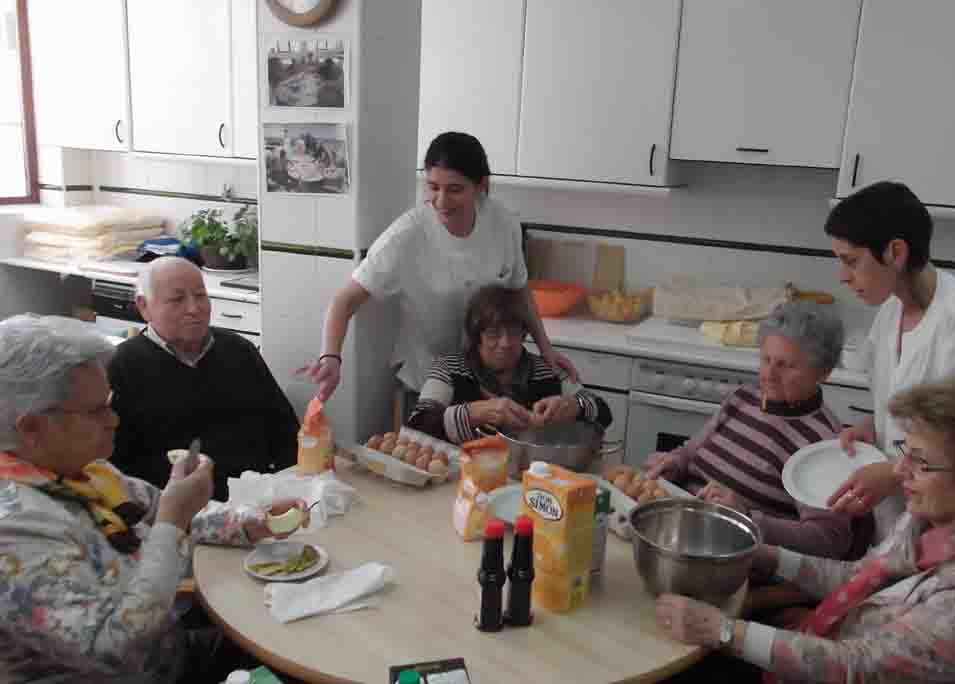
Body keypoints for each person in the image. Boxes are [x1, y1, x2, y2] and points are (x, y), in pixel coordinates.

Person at [654, 377, 955, 684]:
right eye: (904, 452)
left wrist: (721, 631)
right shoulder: (932, 519)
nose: (899, 472)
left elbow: (858, 667)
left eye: (921, 462)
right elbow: (857, 578)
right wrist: (761, 552)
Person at [0, 314, 307, 684]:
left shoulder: (85, 473)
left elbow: (157, 511)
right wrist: (172, 524)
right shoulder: (15, 528)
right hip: (126, 673)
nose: (114, 420)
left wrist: (249, 522)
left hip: (165, 651)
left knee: (302, 637)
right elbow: (114, 645)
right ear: (31, 428)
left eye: (109, 403)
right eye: (96, 410)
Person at [303, 131, 577, 403]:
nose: (441, 201)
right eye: (433, 187)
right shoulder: (406, 236)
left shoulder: (503, 224)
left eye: (455, 189)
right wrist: (330, 357)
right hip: (427, 382)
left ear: (480, 185)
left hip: (491, 382)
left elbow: (519, 291)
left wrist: (546, 349)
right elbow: (344, 301)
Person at [824, 181, 955, 540]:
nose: (842, 275)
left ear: (895, 253)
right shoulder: (891, 309)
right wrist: (878, 423)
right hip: (903, 526)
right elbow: (922, 406)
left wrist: (893, 472)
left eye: (851, 261)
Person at [647, 301, 863, 559]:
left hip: (730, 555)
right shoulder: (743, 398)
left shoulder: (823, 443)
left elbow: (831, 539)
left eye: (787, 365)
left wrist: (747, 518)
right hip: (681, 524)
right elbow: (691, 452)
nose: (769, 374)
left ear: (823, 373)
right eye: (766, 359)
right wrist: (674, 462)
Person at [108, 257, 299, 501]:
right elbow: (116, 467)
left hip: (256, 500)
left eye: (200, 295)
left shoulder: (239, 350)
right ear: (144, 306)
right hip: (172, 512)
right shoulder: (123, 365)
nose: (194, 308)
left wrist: (293, 490)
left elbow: (285, 432)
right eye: (177, 299)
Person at [408, 286, 611, 443]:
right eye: (493, 334)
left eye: (513, 332)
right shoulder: (449, 368)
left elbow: (604, 413)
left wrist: (576, 406)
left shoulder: (549, 372)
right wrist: (475, 413)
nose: (505, 343)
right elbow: (418, 425)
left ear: (524, 334)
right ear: (477, 336)